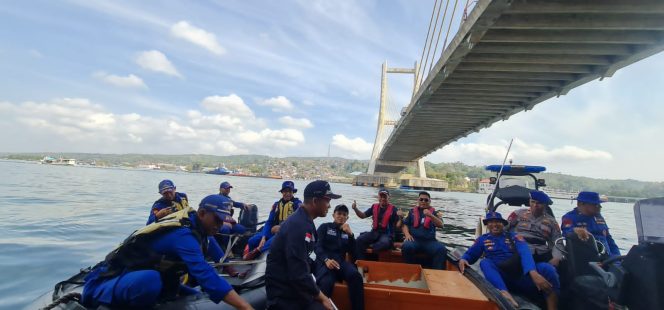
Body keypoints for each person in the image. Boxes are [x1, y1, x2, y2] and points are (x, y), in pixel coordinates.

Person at [81, 195, 252, 309]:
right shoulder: (183, 234)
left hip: (144, 279)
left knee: (198, 296)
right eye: (217, 220)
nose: (219, 225)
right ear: (201, 213)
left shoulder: (202, 231)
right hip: (106, 283)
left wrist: (230, 269)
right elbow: (204, 272)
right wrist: (246, 307)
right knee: (150, 280)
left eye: (222, 221)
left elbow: (216, 254)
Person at [458, 212, 559, 310]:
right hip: (501, 278)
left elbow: (525, 252)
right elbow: (471, 254)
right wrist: (464, 259)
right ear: (487, 225)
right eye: (491, 222)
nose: (495, 225)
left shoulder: (515, 237)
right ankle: (504, 293)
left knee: (547, 268)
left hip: (521, 275)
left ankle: (552, 307)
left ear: (503, 224)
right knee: (485, 262)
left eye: (498, 222)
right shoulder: (482, 240)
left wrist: (533, 272)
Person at [266, 180, 340, 310]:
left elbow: (305, 260)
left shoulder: (306, 221)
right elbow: (298, 274)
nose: (329, 206)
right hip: (284, 296)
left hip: (294, 289)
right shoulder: (298, 226)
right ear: (315, 201)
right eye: (327, 201)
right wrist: (322, 297)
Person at [314, 204, 364, 310]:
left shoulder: (347, 232)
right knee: (326, 282)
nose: (341, 216)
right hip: (325, 263)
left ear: (347, 218)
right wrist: (326, 259)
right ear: (333, 215)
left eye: (344, 214)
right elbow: (317, 246)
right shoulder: (324, 227)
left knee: (356, 276)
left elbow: (354, 254)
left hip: (340, 263)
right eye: (339, 213)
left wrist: (351, 236)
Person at [244, 181, 302, 260]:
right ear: (282, 192)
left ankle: (256, 255)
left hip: (286, 233)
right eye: (285, 191)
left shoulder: (297, 204)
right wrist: (264, 237)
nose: (287, 193)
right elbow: (269, 222)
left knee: (268, 245)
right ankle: (251, 261)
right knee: (252, 241)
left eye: (290, 191)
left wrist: (281, 227)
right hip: (273, 231)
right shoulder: (276, 205)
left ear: (293, 192)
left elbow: (299, 222)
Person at [507, 190, 563, 265]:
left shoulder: (552, 221)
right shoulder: (518, 214)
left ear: (545, 205)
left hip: (540, 252)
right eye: (532, 202)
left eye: (539, 203)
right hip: (518, 247)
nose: (535, 205)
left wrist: (556, 258)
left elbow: (558, 241)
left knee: (553, 269)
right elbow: (503, 228)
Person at [561, 191, 621, 257]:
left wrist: (617, 256)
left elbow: (609, 239)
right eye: (595, 204)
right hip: (585, 258)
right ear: (581, 204)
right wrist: (576, 230)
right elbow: (567, 232)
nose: (600, 207)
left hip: (607, 257)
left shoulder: (599, 217)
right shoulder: (568, 218)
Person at [401, 191, 447, 270]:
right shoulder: (411, 212)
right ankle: (410, 270)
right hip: (414, 240)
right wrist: (407, 235)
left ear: (429, 201)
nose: (423, 202)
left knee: (441, 249)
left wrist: (430, 215)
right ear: (418, 200)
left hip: (430, 241)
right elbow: (405, 224)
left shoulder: (435, 213)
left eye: (426, 200)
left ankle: (436, 274)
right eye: (421, 199)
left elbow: (441, 225)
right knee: (406, 246)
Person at [351, 189, 402, 259]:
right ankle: (360, 262)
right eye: (381, 196)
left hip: (386, 235)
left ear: (388, 197)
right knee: (359, 240)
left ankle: (372, 250)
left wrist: (400, 217)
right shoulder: (374, 207)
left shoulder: (394, 210)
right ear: (378, 197)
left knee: (384, 244)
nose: (383, 199)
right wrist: (355, 209)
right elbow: (362, 216)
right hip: (374, 233)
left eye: (385, 197)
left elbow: (398, 226)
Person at [217, 181, 249, 248]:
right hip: (219, 222)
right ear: (221, 189)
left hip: (228, 220)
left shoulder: (229, 199)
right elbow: (213, 213)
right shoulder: (216, 199)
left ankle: (236, 246)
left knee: (242, 229)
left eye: (229, 188)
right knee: (225, 229)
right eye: (226, 188)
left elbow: (234, 203)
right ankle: (226, 248)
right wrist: (222, 222)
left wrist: (242, 205)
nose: (228, 190)